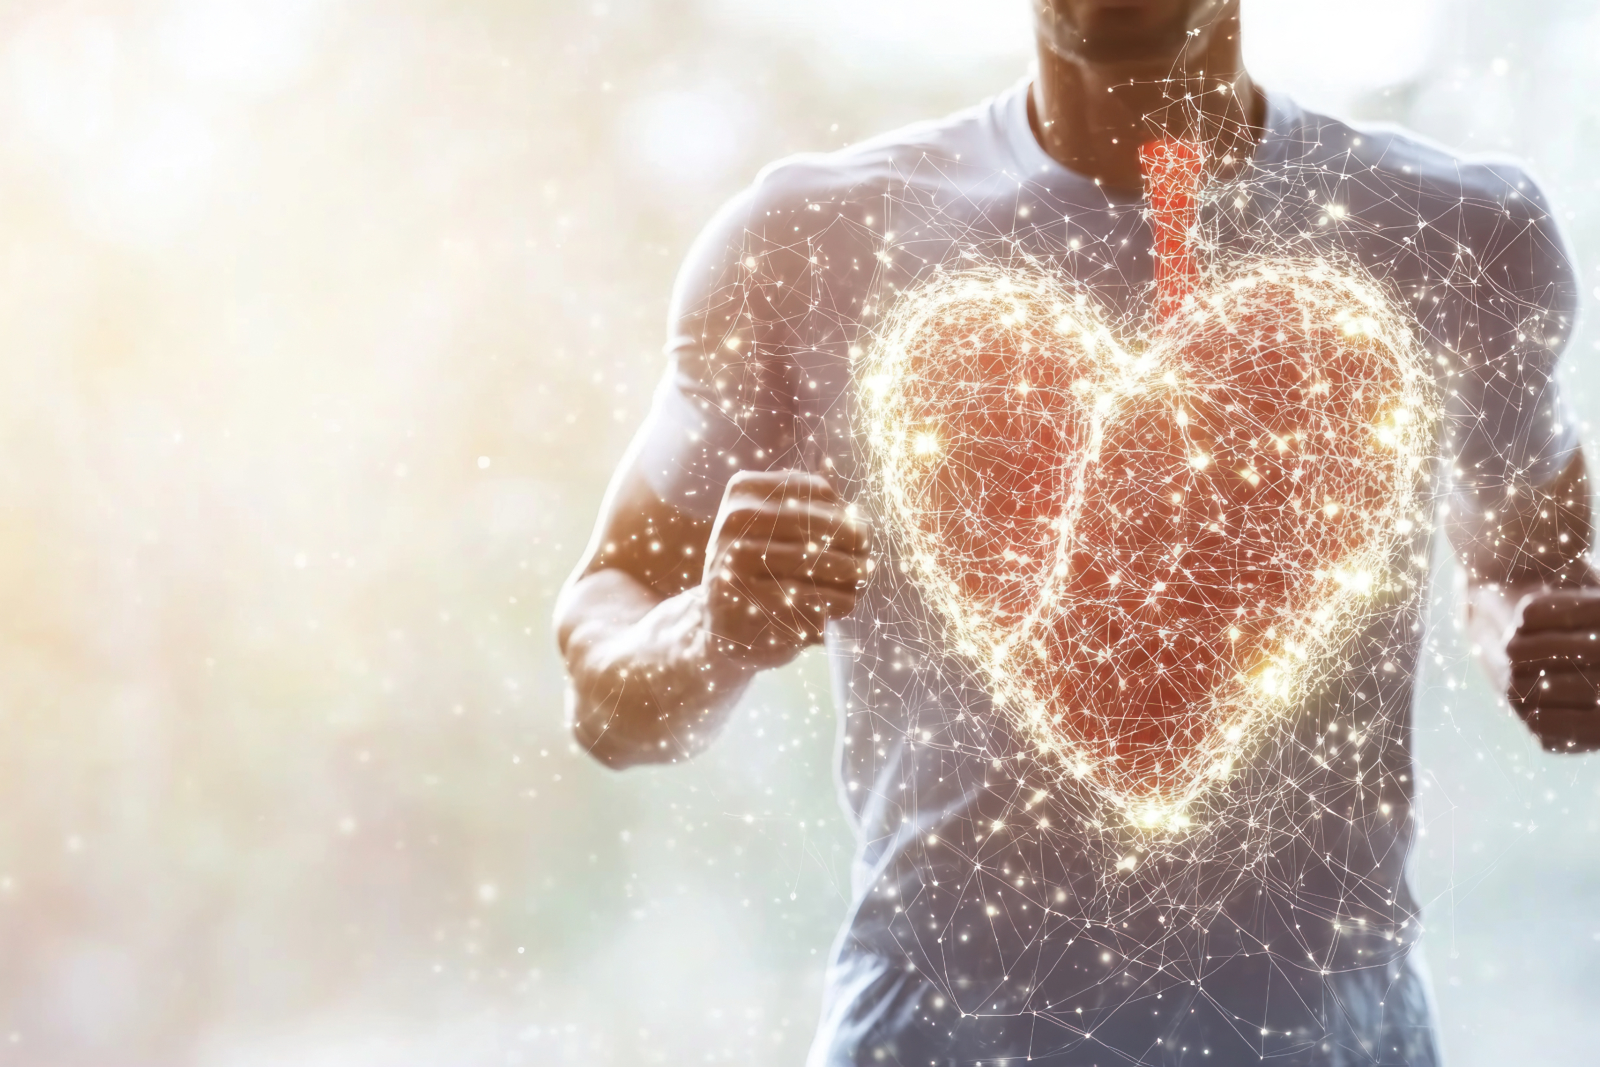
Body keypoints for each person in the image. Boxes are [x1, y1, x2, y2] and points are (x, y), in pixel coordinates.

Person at [555, 1, 1599, 1062]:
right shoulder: (809, 244)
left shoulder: (1462, 236)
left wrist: (1540, 638)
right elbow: (606, 690)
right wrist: (712, 631)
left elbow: (1529, 564)